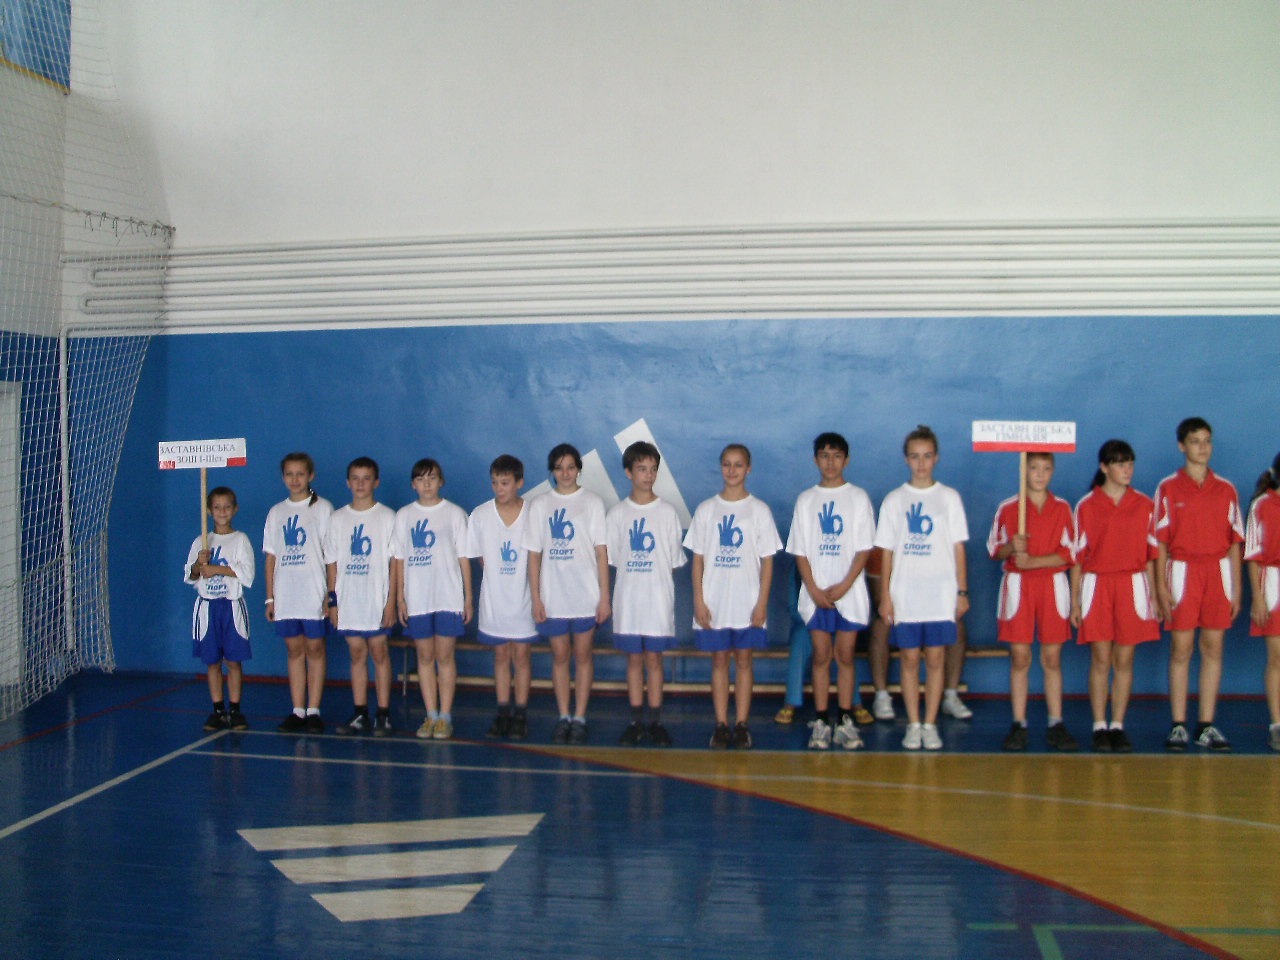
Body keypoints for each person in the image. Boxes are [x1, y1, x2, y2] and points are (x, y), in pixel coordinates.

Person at [874, 425, 969, 751]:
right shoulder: (894, 500)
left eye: (927, 456)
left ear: (936, 458)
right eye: (915, 457)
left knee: (936, 659)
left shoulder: (949, 498)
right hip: (906, 594)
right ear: (906, 459)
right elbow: (886, 552)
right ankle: (913, 724)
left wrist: (962, 592)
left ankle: (931, 724)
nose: (921, 463)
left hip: (940, 593)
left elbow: (958, 548)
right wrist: (886, 596)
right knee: (910, 659)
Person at [1152, 417, 1244, 752]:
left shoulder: (1226, 488)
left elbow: (1234, 542)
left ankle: (1206, 725)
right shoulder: (1168, 487)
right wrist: (1161, 586)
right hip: (1181, 572)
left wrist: (1236, 588)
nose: (1202, 447)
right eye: (1195, 441)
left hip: (1217, 572)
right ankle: (1178, 725)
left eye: (1207, 441)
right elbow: (1160, 542)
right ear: (1182, 446)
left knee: (1213, 648)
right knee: (1181, 649)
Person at [684, 443, 782, 749]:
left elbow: (768, 561)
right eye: (727, 464)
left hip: (747, 602)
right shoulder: (707, 509)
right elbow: (698, 559)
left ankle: (741, 724)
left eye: (738, 465)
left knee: (743, 661)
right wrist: (699, 600)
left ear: (748, 469)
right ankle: (720, 724)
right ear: (720, 467)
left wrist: (762, 603)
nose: (732, 470)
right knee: (718, 661)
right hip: (715, 601)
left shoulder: (759, 510)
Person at [786, 432, 875, 750]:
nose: (830, 462)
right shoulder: (806, 500)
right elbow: (800, 550)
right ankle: (822, 720)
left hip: (848, 591)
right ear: (815, 460)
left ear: (846, 460)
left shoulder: (858, 498)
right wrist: (812, 588)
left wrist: (846, 584)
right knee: (821, 655)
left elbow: (864, 548)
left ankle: (846, 719)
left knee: (845, 655)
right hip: (817, 593)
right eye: (824, 455)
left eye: (837, 456)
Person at [1071, 440, 1160, 752]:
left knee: (1124, 659)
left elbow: (1151, 556)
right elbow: (1077, 558)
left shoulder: (1145, 504)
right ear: (1104, 467)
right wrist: (1075, 601)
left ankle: (1118, 725)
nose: (1127, 470)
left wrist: (1154, 596)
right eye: (1120, 464)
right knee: (1100, 659)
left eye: (1130, 464)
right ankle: (1099, 725)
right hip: (1097, 585)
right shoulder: (1086, 506)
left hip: (1132, 585)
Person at [988, 452, 1077, 751]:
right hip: (1018, 586)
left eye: (1046, 468)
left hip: (1052, 585)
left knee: (1052, 657)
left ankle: (1056, 722)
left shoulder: (1062, 508)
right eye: (1034, 468)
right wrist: (1012, 548)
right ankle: (1019, 723)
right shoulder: (1009, 508)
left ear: (1053, 471)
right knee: (1020, 657)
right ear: (1024, 470)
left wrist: (1035, 561)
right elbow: (994, 549)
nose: (1040, 474)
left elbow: (1070, 552)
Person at [525, 443, 610, 744]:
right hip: (554, 596)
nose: (565, 473)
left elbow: (601, 552)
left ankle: (580, 717)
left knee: (583, 656)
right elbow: (534, 554)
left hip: (586, 596)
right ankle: (564, 716)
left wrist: (604, 597)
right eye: (559, 468)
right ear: (552, 471)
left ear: (578, 470)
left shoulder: (592, 502)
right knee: (560, 656)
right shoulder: (540, 504)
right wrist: (536, 597)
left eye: (571, 467)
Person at [607, 441, 687, 746]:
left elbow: (673, 561)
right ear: (629, 472)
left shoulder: (667, 513)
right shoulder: (617, 514)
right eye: (642, 469)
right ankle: (635, 721)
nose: (649, 475)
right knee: (634, 662)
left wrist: (655, 582)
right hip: (628, 601)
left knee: (654, 661)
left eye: (653, 469)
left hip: (657, 601)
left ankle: (655, 722)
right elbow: (615, 559)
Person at [392, 458, 472, 741]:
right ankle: (431, 714)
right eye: (420, 479)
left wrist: (468, 598)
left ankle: (445, 717)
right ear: (413, 484)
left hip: (448, 597)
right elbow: (399, 559)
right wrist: (400, 598)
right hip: (418, 599)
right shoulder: (404, 516)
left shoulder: (455, 513)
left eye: (432, 478)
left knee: (445, 656)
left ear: (441, 481)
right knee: (425, 657)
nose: (426, 484)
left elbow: (464, 558)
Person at [466, 454, 538, 740]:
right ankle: (503, 712)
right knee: (501, 656)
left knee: (521, 656)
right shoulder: (480, 515)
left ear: (519, 483)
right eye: (495, 482)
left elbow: (539, 558)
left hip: (524, 599)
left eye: (505, 483)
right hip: (494, 599)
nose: (499, 488)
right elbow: (481, 558)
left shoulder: (534, 513)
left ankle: (521, 714)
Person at [324, 457, 397, 736]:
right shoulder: (337, 518)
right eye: (355, 478)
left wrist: (390, 602)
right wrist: (333, 601)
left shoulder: (388, 517)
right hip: (349, 599)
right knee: (356, 653)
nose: (360, 484)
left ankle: (383, 714)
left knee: (379, 651)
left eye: (366, 478)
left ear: (376, 482)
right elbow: (332, 563)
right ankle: (360, 713)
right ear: (348, 482)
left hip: (377, 598)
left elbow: (396, 564)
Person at [264, 453, 333, 734]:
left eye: (300, 474)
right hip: (286, 594)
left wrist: (330, 595)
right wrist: (270, 597)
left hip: (314, 592)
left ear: (310, 476)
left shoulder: (323, 508)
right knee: (294, 650)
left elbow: (331, 557)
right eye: (289, 474)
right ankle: (298, 710)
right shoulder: (276, 512)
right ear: (283, 477)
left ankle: (314, 710)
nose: (295, 479)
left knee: (315, 649)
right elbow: (271, 557)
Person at [186, 486, 255, 731]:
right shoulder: (201, 541)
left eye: (227, 507)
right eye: (217, 507)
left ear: (235, 509)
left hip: (232, 607)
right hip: (208, 608)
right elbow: (191, 575)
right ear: (209, 511)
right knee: (212, 662)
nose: (222, 511)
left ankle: (235, 710)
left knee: (233, 661)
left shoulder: (240, 540)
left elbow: (247, 574)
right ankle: (217, 709)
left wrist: (218, 569)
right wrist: (199, 564)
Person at [1244, 451, 1280, 752]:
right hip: (1272, 584)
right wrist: (1257, 597)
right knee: (1277, 656)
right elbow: (1252, 555)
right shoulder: (1262, 505)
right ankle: (1277, 725)